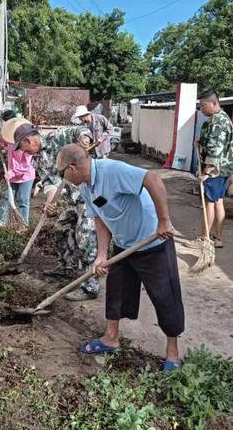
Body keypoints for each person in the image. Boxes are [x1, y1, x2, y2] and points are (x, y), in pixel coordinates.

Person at [56, 144, 184, 371]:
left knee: (165, 297)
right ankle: (111, 337)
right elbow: (100, 219)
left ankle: (172, 353)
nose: (62, 178)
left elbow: (152, 178)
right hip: (125, 246)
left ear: (72, 168)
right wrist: (102, 255)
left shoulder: (111, 171)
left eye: (61, 172)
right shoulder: (86, 186)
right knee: (116, 293)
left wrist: (164, 220)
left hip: (153, 242)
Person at [4, 120, 99, 300]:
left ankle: (90, 287)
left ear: (29, 140)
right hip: (72, 200)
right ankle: (66, 267)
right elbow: (50, 182)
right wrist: (50, 202)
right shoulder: (37, 160)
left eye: (22, 147)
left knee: (85, 237)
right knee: (61, 229)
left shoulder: (57, 138)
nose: (23, 152)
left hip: (89, 195)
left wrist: (84, 139)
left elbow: (80, 129)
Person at [191, 90, 233, 248]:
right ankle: (218, 239)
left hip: (216, 170)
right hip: (225, 168)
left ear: (214, 103)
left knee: (210, 202)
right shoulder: (223, 119)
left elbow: (216, 149)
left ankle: (204, 238)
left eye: (203, 105)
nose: (201, 109)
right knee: (218, 202)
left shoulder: (217, 122)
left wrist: (207, 173)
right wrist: (200, 143)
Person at [0, 111, 35, 227]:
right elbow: (2, 143)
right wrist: (0, 135)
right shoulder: (10, 138)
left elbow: (26, 165)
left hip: (25, 176)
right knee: (7, 197)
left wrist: (11, 173)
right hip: (12, 175)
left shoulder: (26, 142)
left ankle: (23, 225)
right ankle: (2, 221)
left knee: (23, 201)